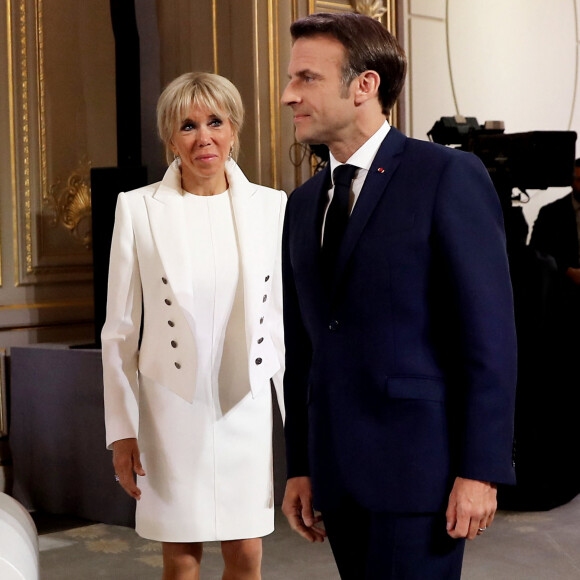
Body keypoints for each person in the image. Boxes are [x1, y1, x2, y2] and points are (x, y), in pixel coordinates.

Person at [280, 13, 517, 579]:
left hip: (422, 474)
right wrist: (301, 465)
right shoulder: (303, 203)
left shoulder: (446, 175)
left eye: (307, 78)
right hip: (336, 475)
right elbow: (304, 351)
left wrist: (480, 468)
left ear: (365, 85)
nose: (289, 95)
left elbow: (489, 338)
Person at [101, 72, 286, 580]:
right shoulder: (137, 208)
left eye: (214, 122)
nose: (203, 136)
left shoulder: (272, 206)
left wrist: (303, 427)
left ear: (233, 130)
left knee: (246, 551)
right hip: (170, 406)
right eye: (187, 125)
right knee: (181, 558)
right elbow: (119, 329)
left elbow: (279, 323)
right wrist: (122, 430)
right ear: (170, 138)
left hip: (242, 405)